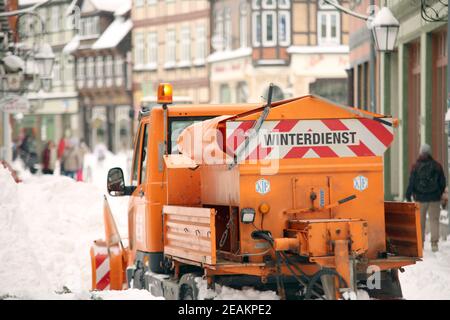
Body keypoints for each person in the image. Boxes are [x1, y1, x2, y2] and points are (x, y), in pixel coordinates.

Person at [406, 144, 446, 252]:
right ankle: (434, 244)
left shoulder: (416, 166)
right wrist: (439, 193)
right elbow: (442, 182)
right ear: (430, 153)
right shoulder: (437, 166)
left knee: (420, 222)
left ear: (421, 153)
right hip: (434, 199)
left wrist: (408, 195)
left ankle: (421, 243)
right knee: (434, 221)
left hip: (420, 198)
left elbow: (411, 182)